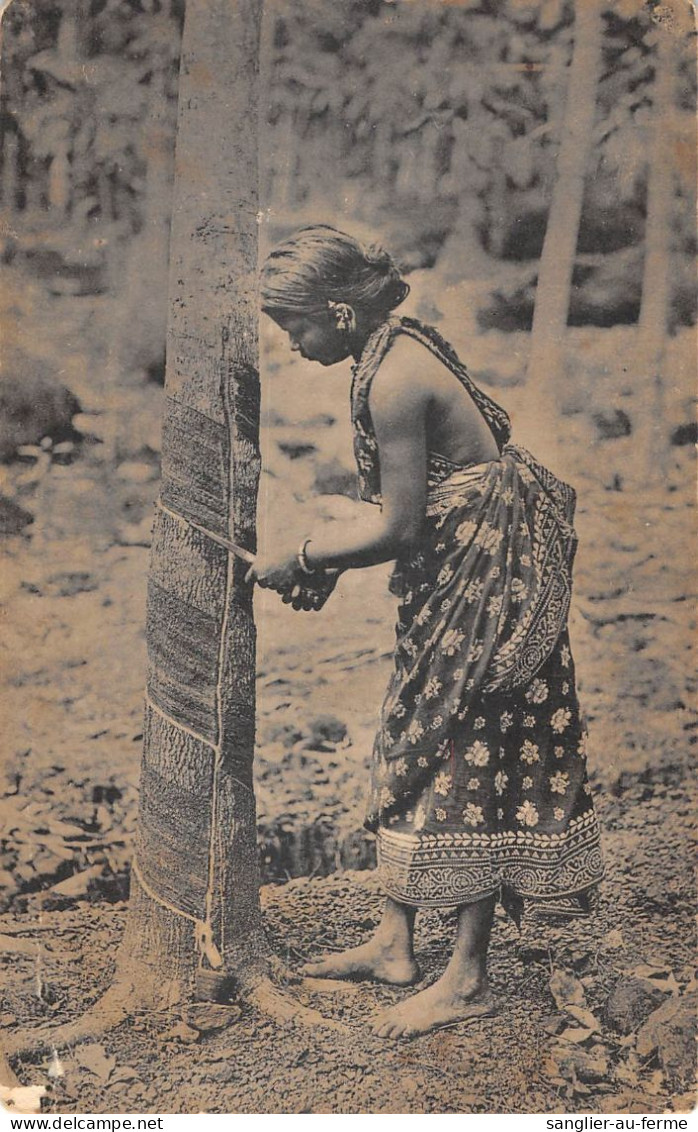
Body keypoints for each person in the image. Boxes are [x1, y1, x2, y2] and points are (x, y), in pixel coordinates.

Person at [247, 224, 604, 1040]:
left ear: (339, 313)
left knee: (465, 747)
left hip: (487, 588)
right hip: (461, 574)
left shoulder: (395, 379)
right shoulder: (387, 349)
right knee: (415, 734)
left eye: (295, 326)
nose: (291, 344)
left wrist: (301, 556)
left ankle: (467, 975)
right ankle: (394, 944)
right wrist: (326, 562)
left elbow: (401, 528)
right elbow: (405, 511)